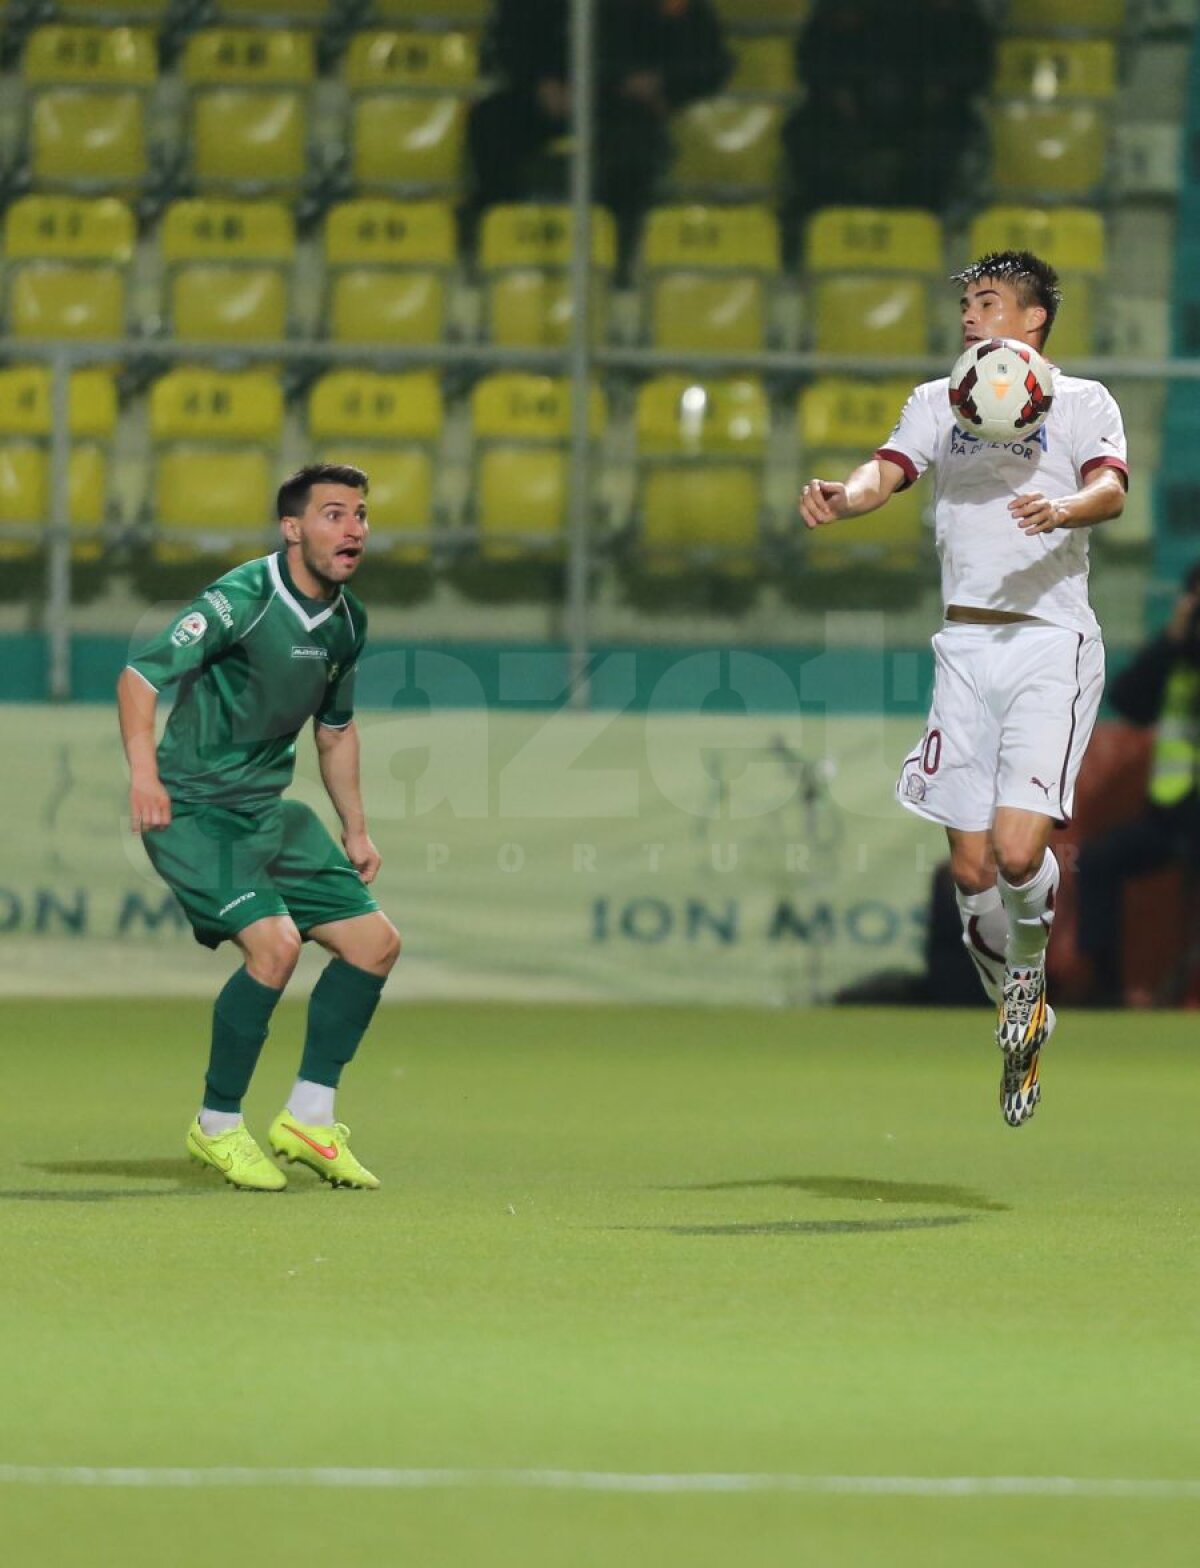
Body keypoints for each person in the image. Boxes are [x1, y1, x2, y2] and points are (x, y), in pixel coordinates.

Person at [799, 251, 1129, 1127]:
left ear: (1033, 321)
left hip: (1048, 647)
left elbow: (1109, 489)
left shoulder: (1083, 401)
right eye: (967, 304)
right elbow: (888, 471)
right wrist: (848, 495)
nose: (970, 318)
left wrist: (1061, 509)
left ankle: (1027, 975)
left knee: (1021, 856)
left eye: (987, 302)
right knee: (972, 867)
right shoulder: (937, 401)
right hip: (965, 648)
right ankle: (1021, 1011)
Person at [117, 464, 401, 1190]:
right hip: (191, 811)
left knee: (374, 945)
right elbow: (141, 677)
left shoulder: (347, 621)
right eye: (334, 514)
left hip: (266, 812)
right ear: (293, 528)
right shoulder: (242, 597)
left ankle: (309, 1115)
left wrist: (357, 830)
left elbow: (335, 732)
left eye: (361, 515)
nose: (354, 529)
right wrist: (145, 776)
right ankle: (215, 1125)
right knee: (274, 948)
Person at [466, 0, 731, 278]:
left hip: (623, 103)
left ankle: (618, 254)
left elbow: (712, 60)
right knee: (492, 121)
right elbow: (501, 45)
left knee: (635, 142)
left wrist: (662, 82)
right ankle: (497, 242)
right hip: (551, 95)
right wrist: (537, 81)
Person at [1075, 564, 1200, 1006]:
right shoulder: (1175, 657)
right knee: (1097, 861)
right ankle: (1105, 987)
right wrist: (1172, 638)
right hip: (1170, 820)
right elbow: (1129, 701)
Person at [782, 0, 994, 251]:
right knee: (809, 133)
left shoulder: (957, 17)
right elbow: (813, 59)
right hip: (849, 115)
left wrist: (937, 96)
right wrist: (839, 95)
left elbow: (974, 66)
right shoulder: (839, 13)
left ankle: (924, 229)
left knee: (947, 137)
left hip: (931, 119)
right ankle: (822, 229)